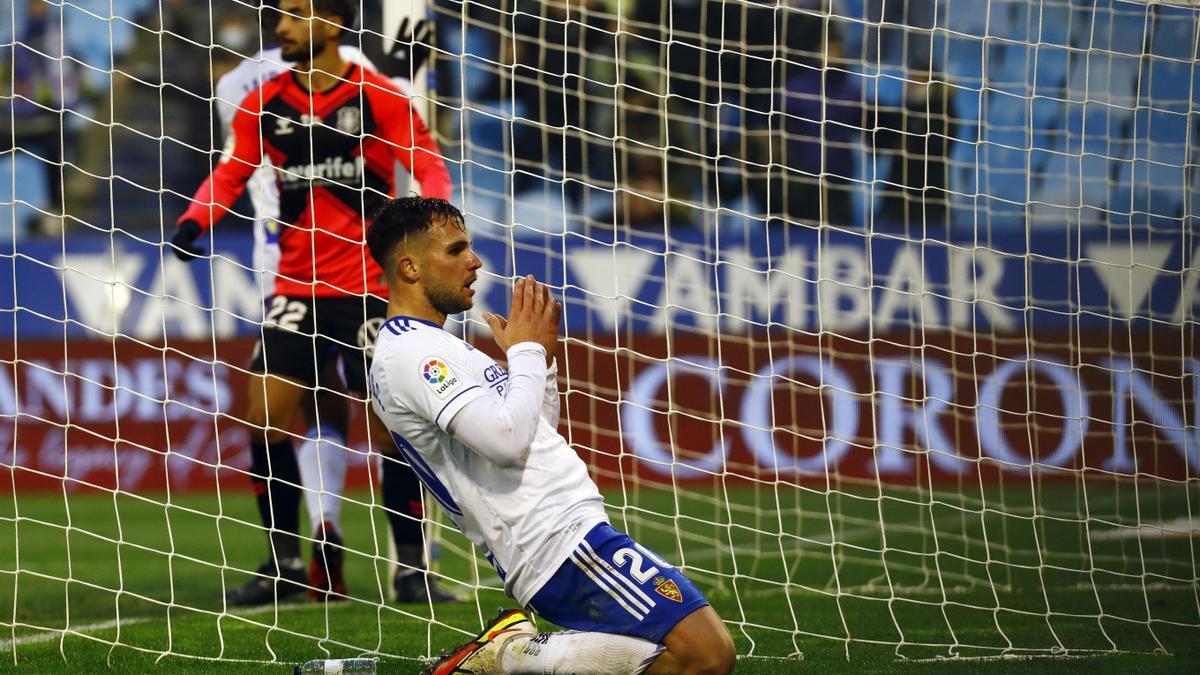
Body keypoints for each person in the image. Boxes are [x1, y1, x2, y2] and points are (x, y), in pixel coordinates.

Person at [363, 197, 737, 675]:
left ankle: (515, 653)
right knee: (706, 655)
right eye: (457, 251)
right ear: (410, 267)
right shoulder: (413, 354)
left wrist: (544, 362)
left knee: (669, 660)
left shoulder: (438, 345)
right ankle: (513, 658)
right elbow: (506, 442)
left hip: (566, 535)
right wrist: (524, 355)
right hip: (555, 544)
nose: (475, 262)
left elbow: (532, 434)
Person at [169, 0, 453, 607]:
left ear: (331, 23)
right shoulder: (262, 102)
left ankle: (411, 568)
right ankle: (284, 564)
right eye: (280, 16)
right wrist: (196, 222)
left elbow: (426, 162)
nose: (280, 27)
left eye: (295, 14)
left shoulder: (375, 96)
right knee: (263, 412)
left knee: (391, 426)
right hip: (295, 289)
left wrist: (436, 224)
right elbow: (230, 173)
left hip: (369, 290)